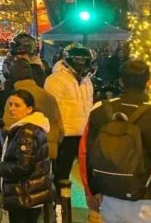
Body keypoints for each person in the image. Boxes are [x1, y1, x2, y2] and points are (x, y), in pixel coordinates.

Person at [80, 61, 151, 222]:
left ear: (121, 81)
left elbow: (85, 155)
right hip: (150, 202)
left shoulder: (99, 111)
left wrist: (91, 193)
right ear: (148, 83)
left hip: (111, 197)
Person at [0, 90, 54, 223]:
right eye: (10, 104)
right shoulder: (32, 128)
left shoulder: (26, 132)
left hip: (24, 195)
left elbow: (23, 166)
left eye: (17, 105)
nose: (12, 109)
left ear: (29, 109)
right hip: (30, 194)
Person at [44, 46, 94, 193]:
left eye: (85, 61)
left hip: (84, 133)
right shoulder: (56, 80)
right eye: (78, 60)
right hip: (65, 136)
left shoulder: (87, 82)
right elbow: (52, 110)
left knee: (88, 174)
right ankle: (59, 205)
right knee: (61, 175)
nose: (81, 64)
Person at [3, 60, 64, 160]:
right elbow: (60, 128)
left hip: (25, 153)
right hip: (50, 151)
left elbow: (9, 127)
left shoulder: (14, 99)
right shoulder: (48, 96)